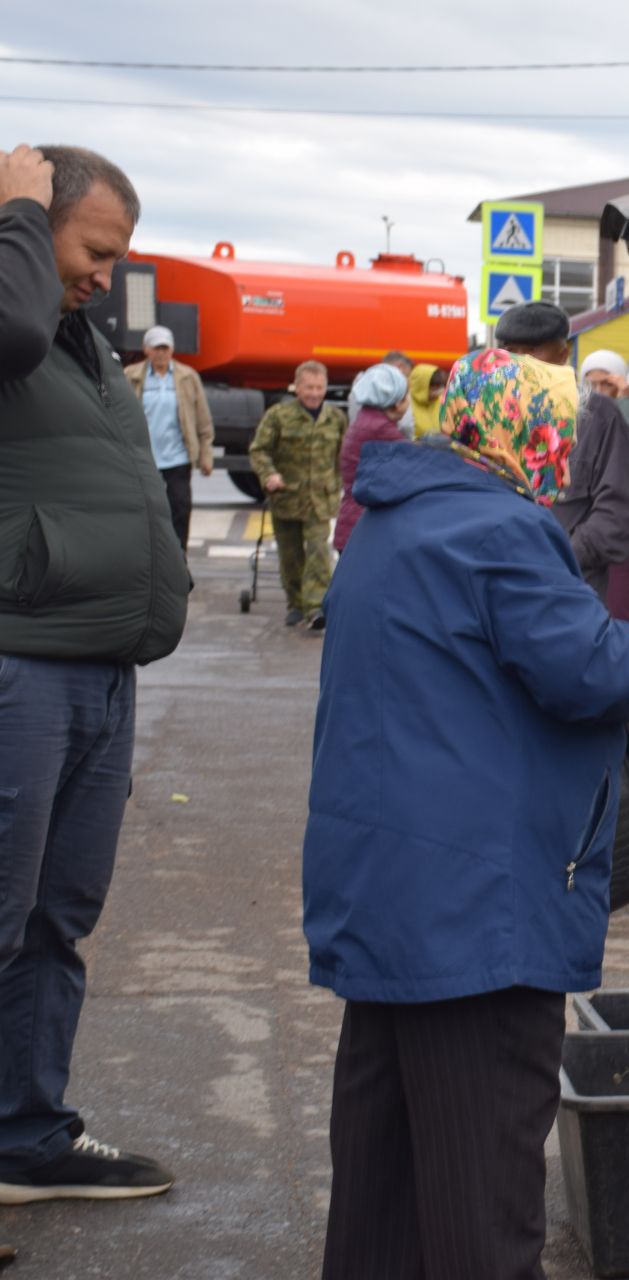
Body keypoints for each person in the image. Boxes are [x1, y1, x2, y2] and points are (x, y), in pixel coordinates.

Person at [304, 347, 629, 1278]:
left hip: (386, 895)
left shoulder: (391, 521)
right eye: (562, 432)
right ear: (528, 433)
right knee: (485, 1202)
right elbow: (592, 668)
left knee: (382, 1197)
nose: (568, 452)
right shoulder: (500, 529)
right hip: (475, 917)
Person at [0, 143, 188, 1207]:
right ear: (31, 222)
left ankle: (24, 1135)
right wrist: (18, 212)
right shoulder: (19, 315)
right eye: (95, 250)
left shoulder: (74, 337)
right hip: (19, 665)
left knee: (52, 920)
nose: (107, 276)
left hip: (95, 672)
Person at [494, 302, 629, 615]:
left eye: (533, 351)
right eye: (510, 352)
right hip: (500, 592)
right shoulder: (491, 417)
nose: (520, 364)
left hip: (570, 598)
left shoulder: (597, 416)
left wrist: (555, 556)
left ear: (563, 356)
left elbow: (618, 516)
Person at [250, 360, 346, 629]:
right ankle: (295, 602)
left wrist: (345, 486)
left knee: (318, 552)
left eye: (319, 387)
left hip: (320, 500)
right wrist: (269, 474)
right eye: (309, 388)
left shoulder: (336, 419)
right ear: (297, 387)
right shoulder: (279, 415)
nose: (314, 393)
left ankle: (316, 607)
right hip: (287, 498)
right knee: (290, 556)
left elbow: (344, 456)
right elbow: (259, 450)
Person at [581, 348, 629, 622]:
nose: (600, 391)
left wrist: (623, 401)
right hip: (583, 542)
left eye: (608, 384)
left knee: (617, 625)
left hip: (626, 547)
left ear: (622, 384)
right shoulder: (576, 423)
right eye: (592, 385)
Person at [123, 324, 214, 551]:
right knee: (144, 511)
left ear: (172, 350)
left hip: (177, 457)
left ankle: (178, 557)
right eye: (156, 348)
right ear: (147, 350)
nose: (161, 353)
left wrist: (206, 455)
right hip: (144, 458)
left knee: (180, 509)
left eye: (165, 348)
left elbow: (203, 420)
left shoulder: (187, 377)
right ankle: (145, 555)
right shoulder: (130, 376)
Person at [334, 362, 410, 553]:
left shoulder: (368, 419)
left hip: (353, 524)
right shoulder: (380, 428)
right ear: (394, 399)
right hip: (362, 529)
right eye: (406, 396)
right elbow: (414, 462)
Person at [407, 362, 446, 439]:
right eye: (434, 389)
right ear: (420, 387)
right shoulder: (405, 404)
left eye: (440, 387)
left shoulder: (443, 401)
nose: (438, 393)